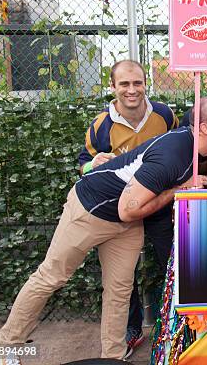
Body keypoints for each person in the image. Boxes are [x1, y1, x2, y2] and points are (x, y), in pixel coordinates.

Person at [0, 97, 207, 362]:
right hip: (91, 209)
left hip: (126, 222)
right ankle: (5, 348)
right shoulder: (173, 155)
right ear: (204, 128)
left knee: (119, 291)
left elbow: (130, 212)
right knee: (51, 276)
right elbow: (128, 208)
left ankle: (113, 357)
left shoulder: (197, 151)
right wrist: (178, 191)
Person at [78, 59, 177, 357]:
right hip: (119, 210)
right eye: (124, 84)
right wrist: (91, 164)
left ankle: (172, 324)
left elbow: (178, 148)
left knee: (172, 265)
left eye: (137, 83)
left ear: (146, 83)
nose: (132, 90)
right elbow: (83, 165)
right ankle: (132, 329)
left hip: (159, 206)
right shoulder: (100, 125)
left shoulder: (163, 114)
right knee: (123, 275)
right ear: (113, 86)